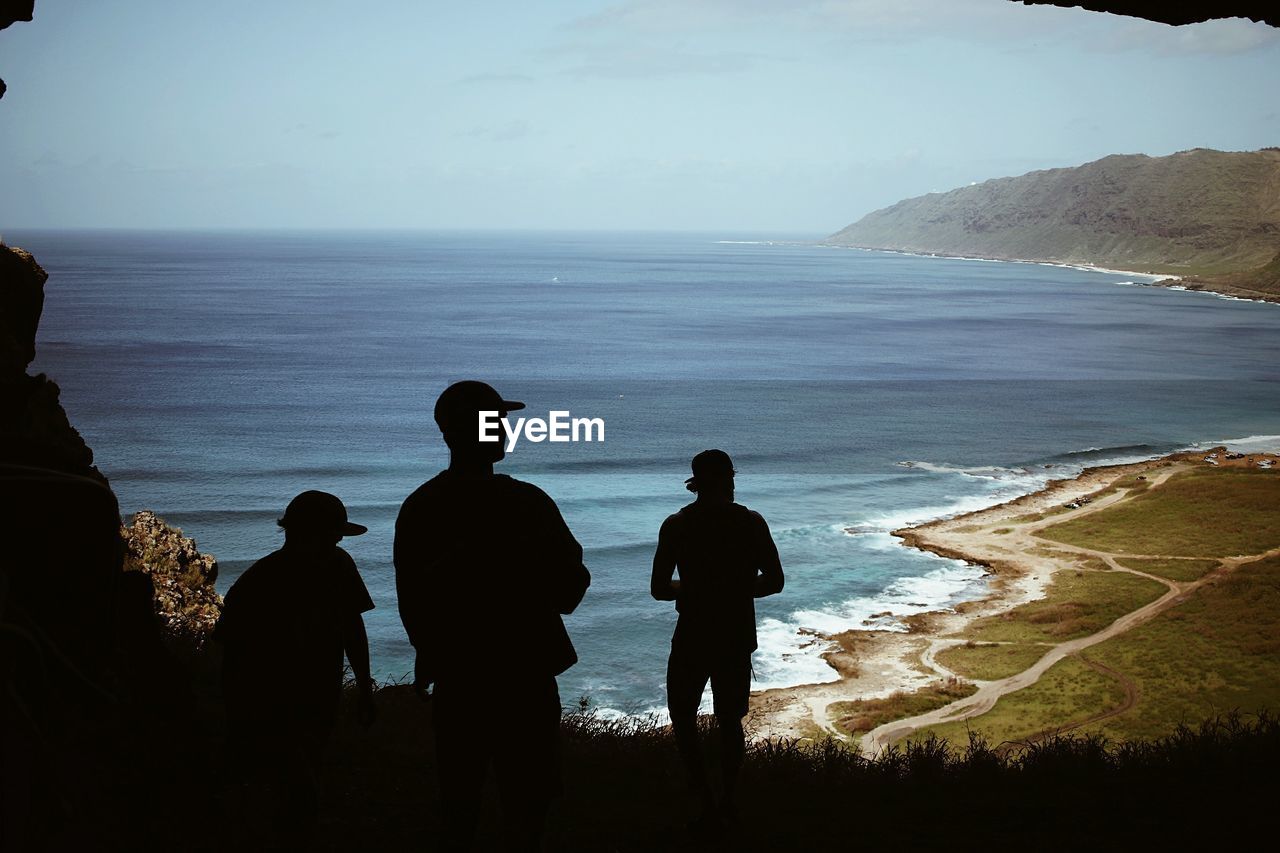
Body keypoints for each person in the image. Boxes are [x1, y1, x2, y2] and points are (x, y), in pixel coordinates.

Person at [395, 380, 590, 851]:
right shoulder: (527, 501)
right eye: (495, 421)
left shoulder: (420, 506)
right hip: (526, 674)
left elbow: (413, 604)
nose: (504, 429)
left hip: (459, 678)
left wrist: (433, 654)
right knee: (528, 804)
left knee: (459, 803)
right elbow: (570, 589)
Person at [215, 490, 377, 844]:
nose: (336, 539)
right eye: (331, 532)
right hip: (272, 702)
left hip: (317, 694)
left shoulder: (332, 565)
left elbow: (353, 628)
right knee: (292, 787)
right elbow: (233, 655)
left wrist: (365, 686)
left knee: (301, 776)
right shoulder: (269, 579)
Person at [651, 449, 784, 829]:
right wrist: (737, 590)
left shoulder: (676, 524)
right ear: (730, 480)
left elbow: (660, 589)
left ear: (695, 483)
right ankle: (729, 800)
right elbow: (774, 581)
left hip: (692, 633)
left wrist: (693, 590)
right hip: (736, 634)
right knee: (729, 720)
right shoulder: (751, 522)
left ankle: (703, 798)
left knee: (682, 715)